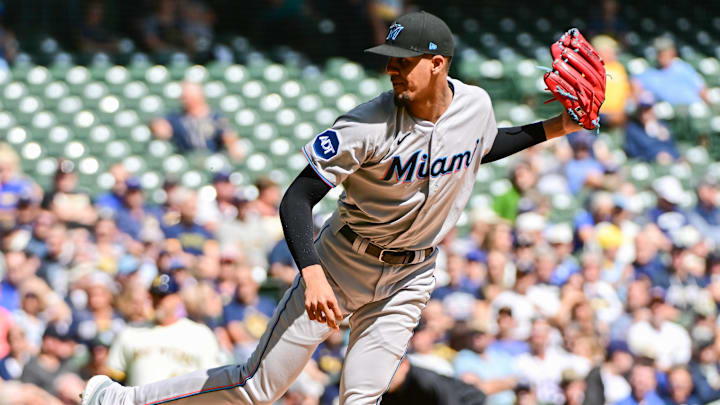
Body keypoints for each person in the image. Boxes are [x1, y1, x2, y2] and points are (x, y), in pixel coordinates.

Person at [82, 11, 593, 405]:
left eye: (404, 59)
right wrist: (313, 273)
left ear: (438, 64)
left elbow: (485, 143)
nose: (392, 68)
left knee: (363, 396)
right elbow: (297, 197)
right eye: (389, 58)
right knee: (260, 386)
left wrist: (558, 127)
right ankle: (120, 398)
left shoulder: (475, 106)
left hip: (410, 276)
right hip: (342, 262)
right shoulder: (365, 125)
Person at [104, 273, 224, 386]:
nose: (158, 301)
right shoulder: (130, 332)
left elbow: (212, 380)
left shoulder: (199, 334)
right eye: (154, 296)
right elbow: (115, 379)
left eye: (163, 296)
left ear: (178, 298)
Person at [150, 81, 244, 160]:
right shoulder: (177, 118)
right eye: (183, 97)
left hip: (212, 159)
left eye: (188, 96)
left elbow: (229, 136)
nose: (184, 100)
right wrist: (158, 126)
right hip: (186, 159)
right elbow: (159, 125)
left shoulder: (215, 118)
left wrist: (231, 144)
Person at [632, 37, 709, 106]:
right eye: (659, 53)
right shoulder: (651, 73)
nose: (662, 56)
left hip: (691, 108)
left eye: (665, 52)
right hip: (668, 114)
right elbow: (636, 83)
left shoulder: (683, 68)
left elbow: (701, 89)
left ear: (672, 53)